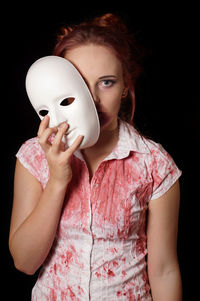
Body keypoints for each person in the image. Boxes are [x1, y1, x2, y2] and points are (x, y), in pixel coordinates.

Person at [9, 13, 182, 300]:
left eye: (106, 82)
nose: (93, 100)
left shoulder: (154, 164)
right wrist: (57, 180)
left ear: (126, 85)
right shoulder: (33, 156)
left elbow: (164, 270)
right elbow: (25, 262)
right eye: (79, 84)